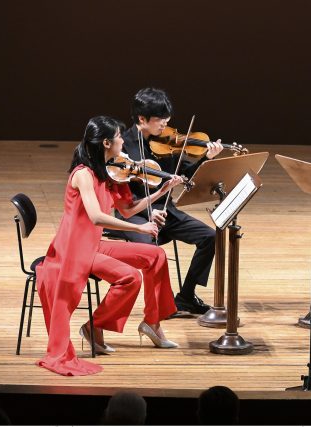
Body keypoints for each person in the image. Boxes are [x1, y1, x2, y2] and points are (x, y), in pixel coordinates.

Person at [36, 116, 183, 376]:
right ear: (106, 143)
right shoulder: (83, 174)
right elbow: (95, 216)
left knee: (156, 255)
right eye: (118, 137)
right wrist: (140, 228)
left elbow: (126, 210)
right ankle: (95, 326)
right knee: (130, 278)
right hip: (75, 249)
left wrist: (160, 193)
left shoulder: (109, 172)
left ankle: (152, 322)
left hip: (93, 244)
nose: (122, 141)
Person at [117, 87, 223, 315]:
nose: (165, 123)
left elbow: (184, 175)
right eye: (159, 119)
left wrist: (205, 157)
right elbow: (120, 192)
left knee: (210, 237)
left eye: (167, 117)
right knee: (149, 250)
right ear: (142, 119)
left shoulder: (164, 144)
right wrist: (148, 213)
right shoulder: (123, 146)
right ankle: (157, 306)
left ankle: (186, 296)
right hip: (134, 212)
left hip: (165, 210)